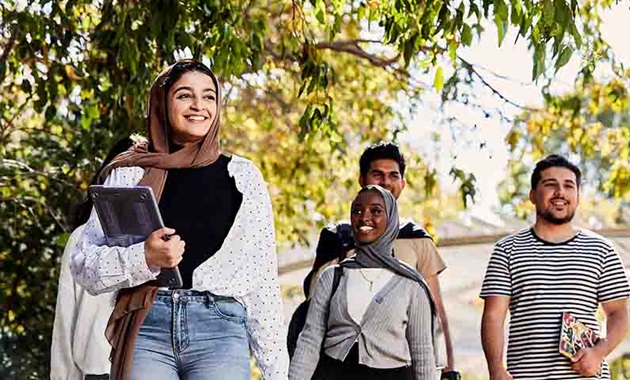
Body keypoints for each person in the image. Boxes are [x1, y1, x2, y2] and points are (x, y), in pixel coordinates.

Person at [70, 60, 288, 380]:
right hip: (147, 326)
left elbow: (263, 283)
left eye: (209, 96)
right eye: (185, 95)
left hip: (220, 329)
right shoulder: (129, 173)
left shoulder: (243, 177)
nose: (199, 106)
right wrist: (143, 257)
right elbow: (84, 264)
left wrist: (277, 373)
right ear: (162, 102)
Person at [289, 142, 457, 378]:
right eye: (377, 174)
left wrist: (449, 369)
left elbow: (434, 316)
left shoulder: (417, 241)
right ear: (362, 179)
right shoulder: (337, 237)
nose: (386, 182)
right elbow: (313, 318)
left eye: (393, 176)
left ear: (403, 183)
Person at [480, 154, 630, 379]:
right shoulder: (507, 250)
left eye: (569, 186)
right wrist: (495, 369)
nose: (560, 192)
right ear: (532, 195)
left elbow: (618, 313)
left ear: (577, 196)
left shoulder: (602, 250)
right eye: (551, 185)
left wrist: (599, 353)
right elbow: (493, 316)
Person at [51, 137, 134, 380]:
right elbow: (65, 321)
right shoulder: (81, 238)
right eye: (122, 172)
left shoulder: (164, 242)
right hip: (96, 370)